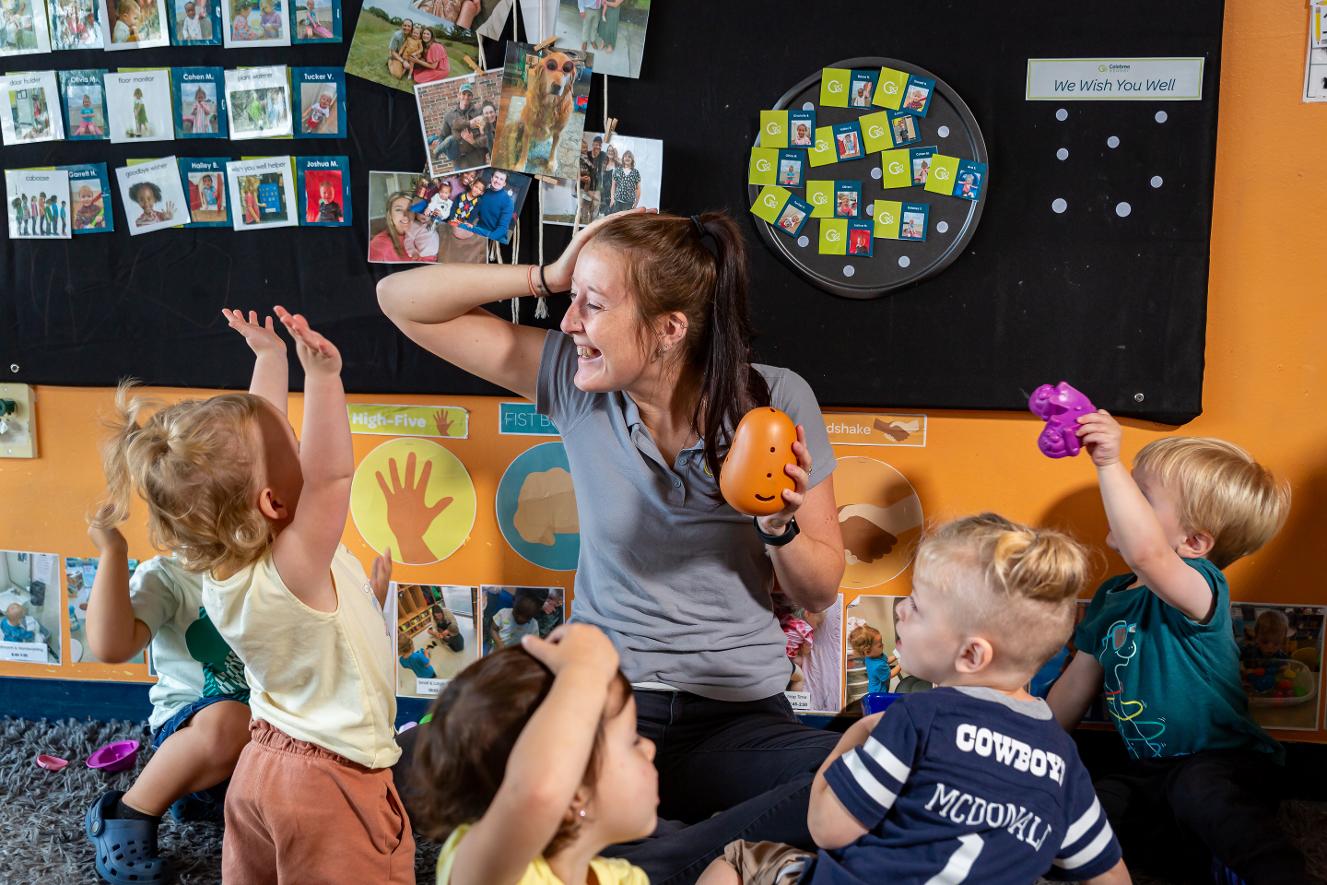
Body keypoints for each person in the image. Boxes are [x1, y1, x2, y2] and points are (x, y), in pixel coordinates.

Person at [378, 208, 846, 884]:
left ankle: (639, 857)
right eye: (572, 301)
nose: (569, 322)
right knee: (418, 769)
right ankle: (707, 851)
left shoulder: (773, 400)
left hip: (736, 715)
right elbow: (399, 300)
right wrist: (548, 274)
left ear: (668, 329)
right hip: (605, 705)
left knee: (857, 776)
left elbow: (819, 590)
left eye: (592, 305)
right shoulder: (574, 383)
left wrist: (778, 524)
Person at [95, 307, 412, 882]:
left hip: (261, 766)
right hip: (331, 777)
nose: (301, 440)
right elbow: (331, 477)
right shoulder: (296, 564)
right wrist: (323, 378)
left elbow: (263, 440)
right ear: (272, 502)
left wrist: (271, 359)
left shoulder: (232, 571)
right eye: (295, 443)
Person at [701, 514, 1130, 885]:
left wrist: (855, 737)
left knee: (736, 860)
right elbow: (1110, 875)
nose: (901, 611)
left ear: (971, 655)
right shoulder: (1063, 759)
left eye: (918, 606)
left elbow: (828, 828)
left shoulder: (920, 719)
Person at [1047, 417, 1310, 883]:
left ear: (1193, 543)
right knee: (1089, 808)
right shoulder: (1111, 596)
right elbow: (1077, 682)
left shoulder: (1202, 586)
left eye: (1140, 495)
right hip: (1148, 768)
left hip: (1225, 763)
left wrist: (1108, 464)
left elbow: (1148, 555)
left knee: (1200, 790)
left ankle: (1276, 873)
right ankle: (1189, 855)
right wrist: (1033, 745)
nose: (1120, 499)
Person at [82, 311, 284, 885]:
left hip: (271, 743)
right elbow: (111, 646)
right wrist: (112, 553)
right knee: (227, 717)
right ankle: (128, 812)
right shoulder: (169, 577)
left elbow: (267, 441)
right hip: (198, 733)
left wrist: (271, 359)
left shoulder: (275, 551)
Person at [414, 625, 654, 885]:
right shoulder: (482, 869)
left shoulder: (627, 879)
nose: (650, 748)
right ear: (572, 790)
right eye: (633, 740)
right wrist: (585, 668)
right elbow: (536, 794)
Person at [848, 624, 892, 694]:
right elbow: (890, 675)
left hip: (877, 688)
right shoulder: (877, 666)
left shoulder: (875, 656)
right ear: (868, 651)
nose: (883, 645)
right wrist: (901, 665)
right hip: (878, 693)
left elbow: (886, 660)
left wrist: (897, 655)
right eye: (880, 645)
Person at [579, 134, 607, 223]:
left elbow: (610, 161)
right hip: (585, 187)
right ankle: (583, 224)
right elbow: (576, 169)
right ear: (592, 144)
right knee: (584, 209)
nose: (598, 147)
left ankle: (592, 224)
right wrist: (580, 178)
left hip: (597, 188)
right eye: (596, 144)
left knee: (595, 208)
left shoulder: (603, 155)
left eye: (600, 145)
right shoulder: (585, 154)